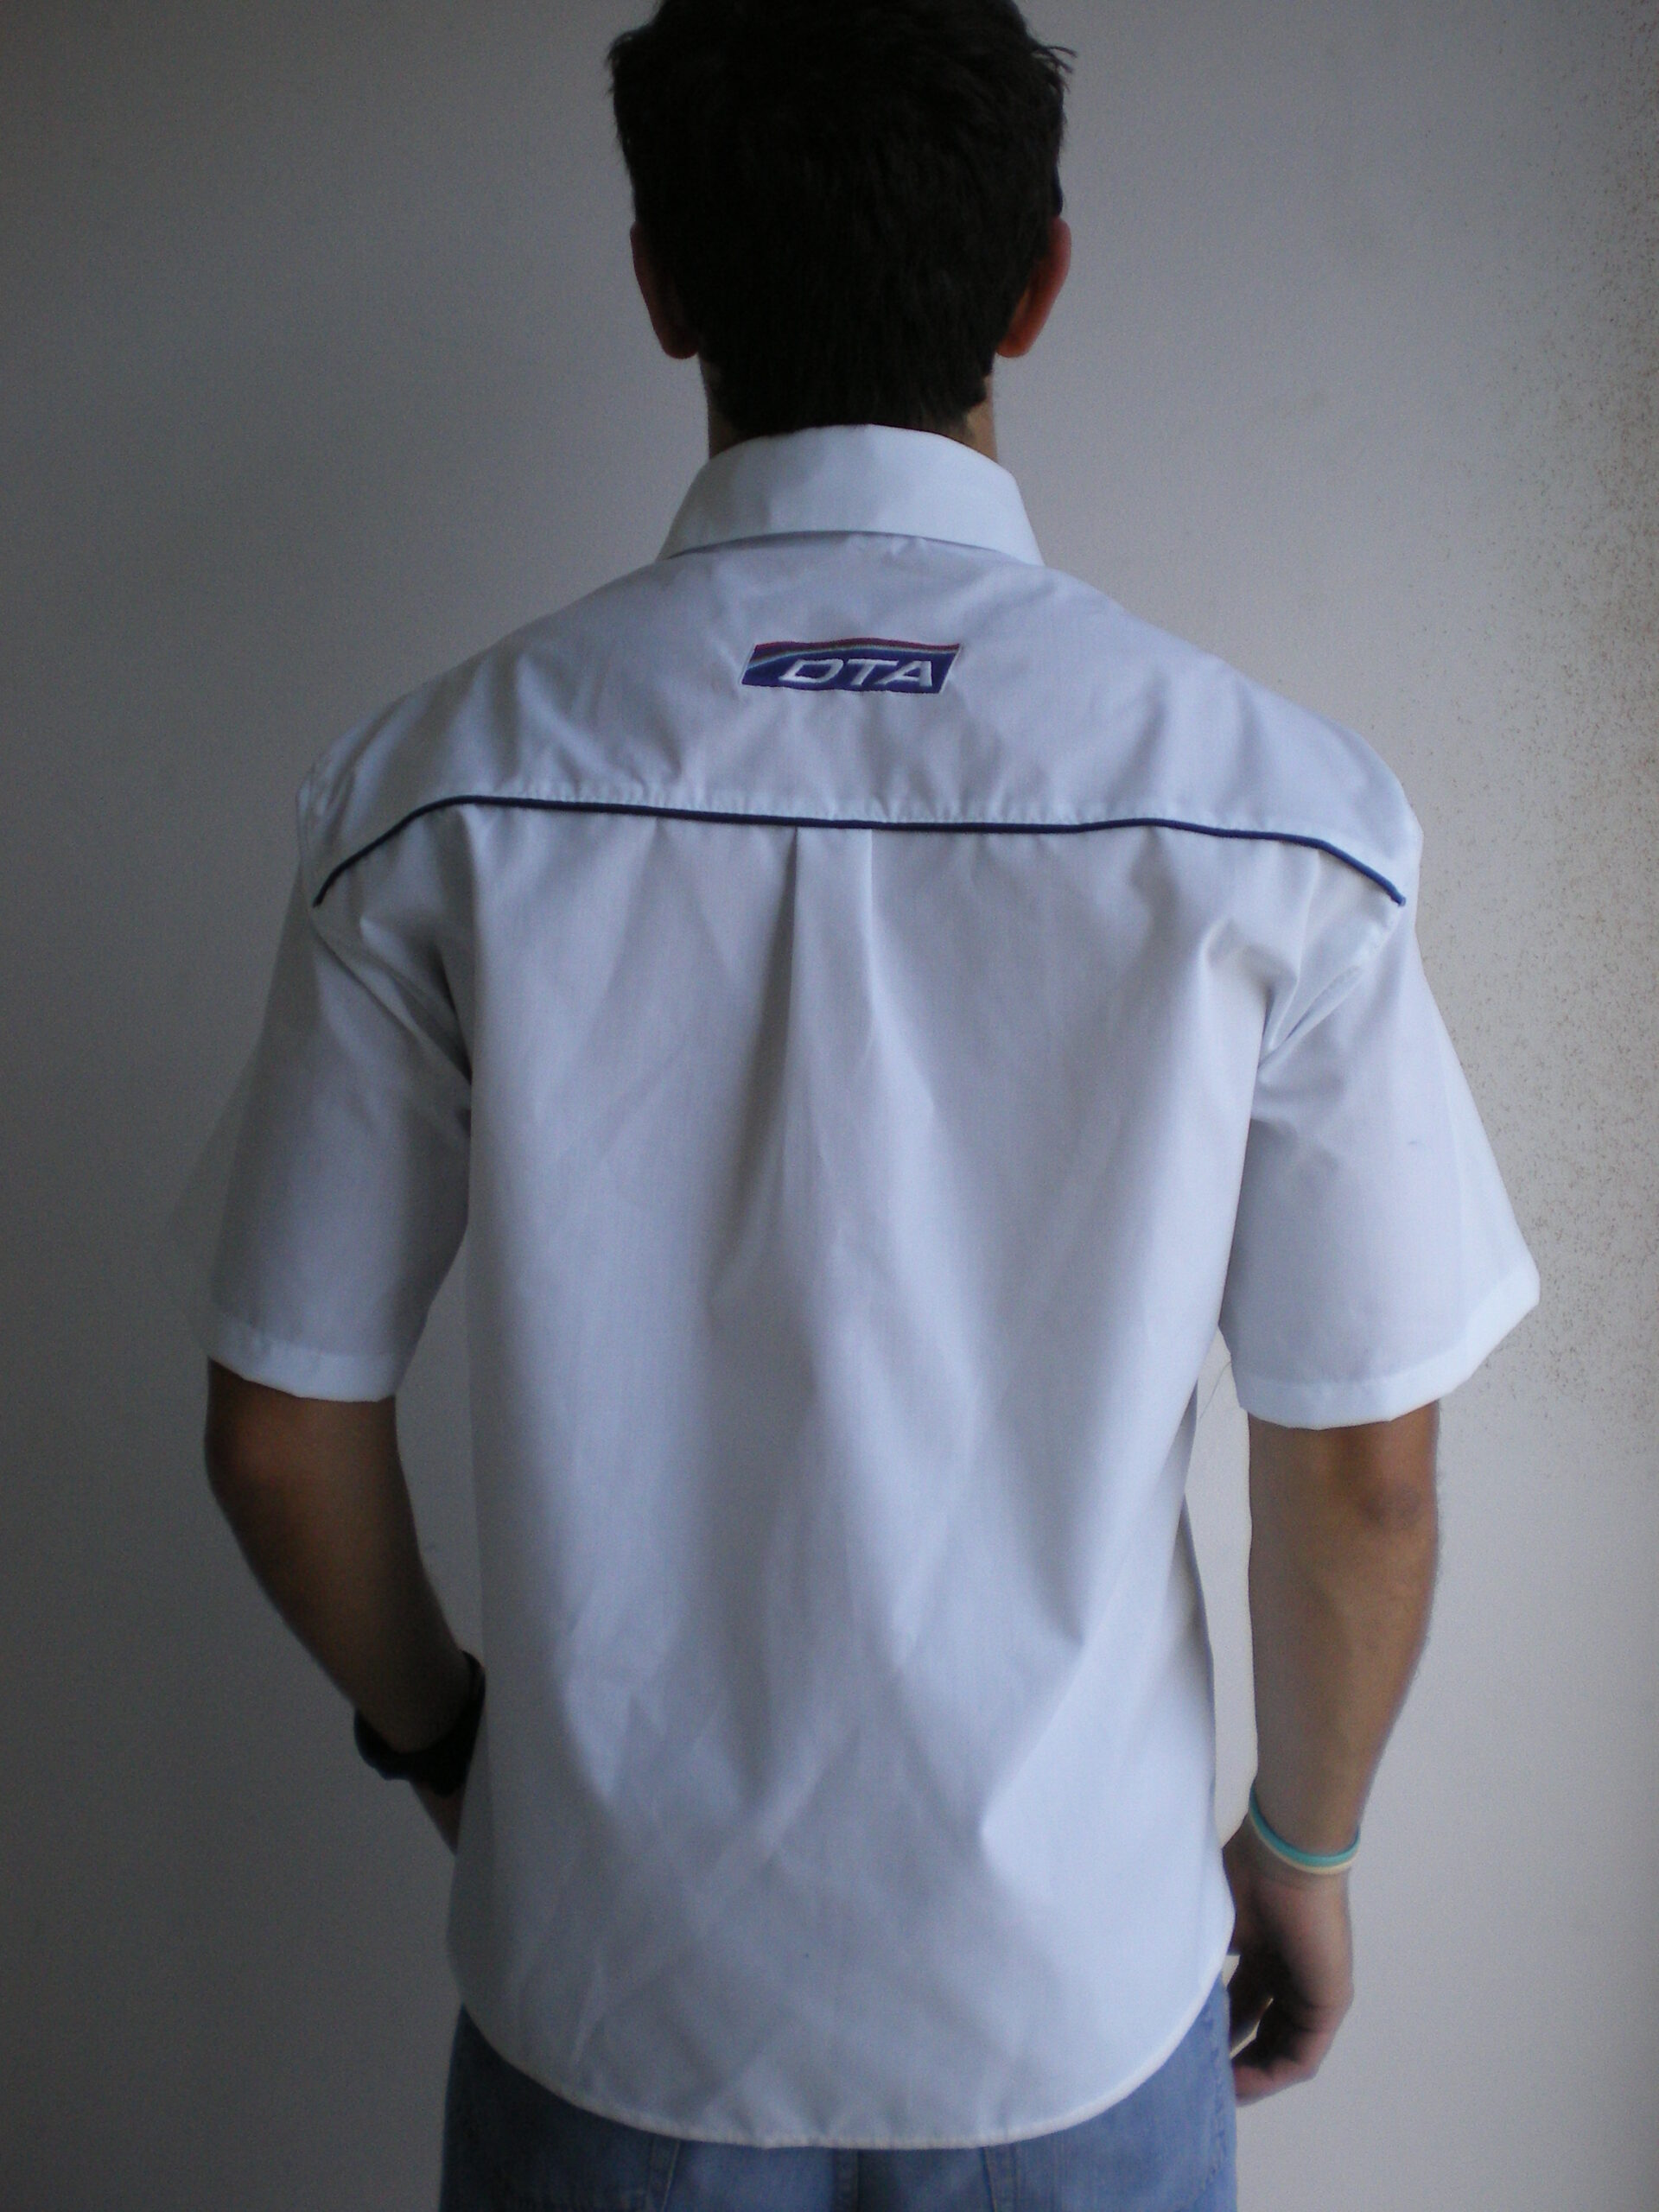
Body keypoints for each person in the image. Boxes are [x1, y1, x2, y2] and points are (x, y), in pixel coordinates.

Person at [164, 2, 1540, 2206]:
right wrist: (1303, 1847)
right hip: (1068, 2004)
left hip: (609, 1997)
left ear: (660, 285)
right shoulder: (1277, 819)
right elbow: (1364, 1470)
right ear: (1040, 281)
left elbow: (277, 1430)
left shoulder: (431, 799)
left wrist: (445, 1738)